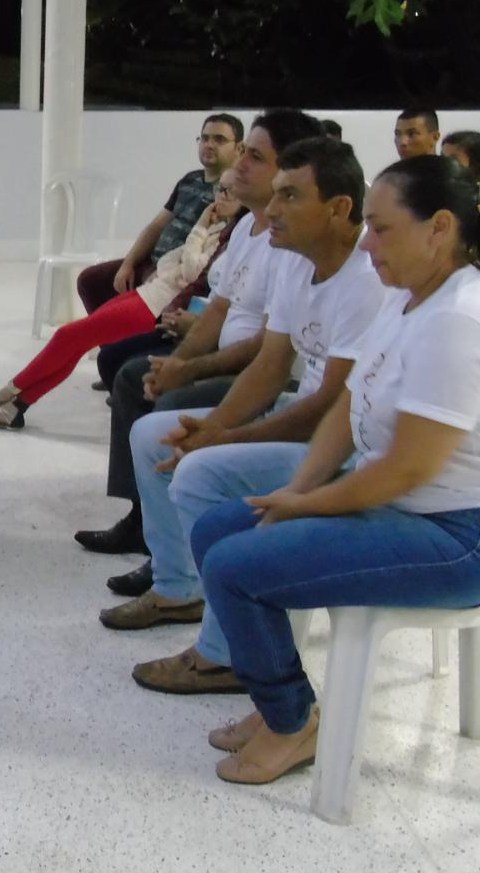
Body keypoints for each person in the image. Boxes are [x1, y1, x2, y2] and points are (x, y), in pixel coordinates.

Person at [191, 156, 480, 785]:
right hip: (414, 507)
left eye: (381, 229)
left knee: (234, 566)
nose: (368, 244)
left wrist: (307, 506)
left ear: (439, 228)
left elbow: (406, 469)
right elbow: (350, 404)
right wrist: (298, 487)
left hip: (468, 535)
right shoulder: (407, 295)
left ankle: (292, 723)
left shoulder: (459, 320)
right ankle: (280, 706)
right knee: (216, 530)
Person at [100, 139, 388, 699]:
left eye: (290, 196)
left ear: (340, 208)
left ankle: (225, 653)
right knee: (152, 433)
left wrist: (224, 439)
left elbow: (333, 406)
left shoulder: (365, 282)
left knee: (200, 472)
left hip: (345, 444)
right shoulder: (299, 264)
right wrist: (213, 430)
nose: (272, 210)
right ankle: (178, 588)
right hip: (311, 421)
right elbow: (270, 365)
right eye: (274, 195)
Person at [76, 111, 325, 562]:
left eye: (254, 156)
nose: (238, 164)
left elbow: (270, 353)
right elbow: (219, 308)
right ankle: (144, 518)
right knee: (132, 373)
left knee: (171, 406)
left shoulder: (292, 245)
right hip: (230, 356)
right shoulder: (246, 227)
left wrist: (188, 371)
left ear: (289, 169)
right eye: (242, 152)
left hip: (262, 374)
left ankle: (174, 543)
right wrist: (178, 363)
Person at [0, 170, 242, 428]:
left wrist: (199, 228)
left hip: (159, 305)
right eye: (220, 189)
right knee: (74, 342)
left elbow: (194, 271)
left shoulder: (229, 236)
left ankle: (9, 392)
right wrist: (183, 248)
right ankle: (16, 406)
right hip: (152, 290)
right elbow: (172, 259)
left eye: (230, 191)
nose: (221, 196)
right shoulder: (216, 224)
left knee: (68, 336)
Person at [76, 114, 243, 316]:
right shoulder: (189, 180)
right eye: (205, 138)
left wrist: (162, 274)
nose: (209, 145)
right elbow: (156, 227)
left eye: (219, 139)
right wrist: (129, 263)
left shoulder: (232, 194)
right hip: (153, 262)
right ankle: (112, 335)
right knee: (90, 281)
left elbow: (215, 250)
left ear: (239, 148)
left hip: (176, 275)